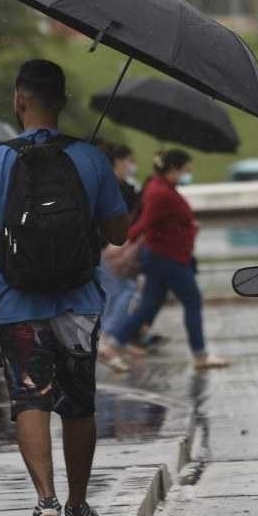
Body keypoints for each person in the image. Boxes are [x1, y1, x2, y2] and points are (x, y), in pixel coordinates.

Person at [0, 59, 129, 516]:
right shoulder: (90, 159)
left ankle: (45, 500)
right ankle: (77, 506)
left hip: (16, 303)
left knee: (30, 398)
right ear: (63, 101)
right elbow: (118, 234)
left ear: (18, 99)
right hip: (78, 304)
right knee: (78, 404)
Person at [103, 149, 228, 370]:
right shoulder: (161, 193)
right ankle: (200, 355)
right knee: (192, 301)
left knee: (148, 305)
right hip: (168, 257)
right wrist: (122, 242)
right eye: (185, 168)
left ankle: (113, 344)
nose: (188, 173)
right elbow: (146, 223)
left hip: (164, 255)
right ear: (173, 168)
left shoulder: (161, 188)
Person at [95, 141, 141, 372]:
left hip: (110, 246)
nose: (132, 166)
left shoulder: (119, 186)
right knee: (121, 292)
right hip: (108, 248)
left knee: (118, 292)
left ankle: (112, 339)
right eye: (128, 161)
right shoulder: (112, 187)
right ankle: (109, 338)